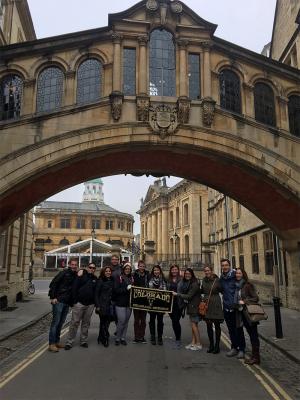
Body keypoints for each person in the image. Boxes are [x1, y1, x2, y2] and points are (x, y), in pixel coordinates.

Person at [48, 258, 78, 352]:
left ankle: (56, 342)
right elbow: (53, 284)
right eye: (72, 264)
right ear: (69, 265)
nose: (74, 266)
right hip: (58, 301)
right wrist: (53, 297)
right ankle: (51, 344)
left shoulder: (75, 275)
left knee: (60, 323)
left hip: (66, 303)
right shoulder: (63, 273)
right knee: (55, 323)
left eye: (75, 265)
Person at [64, 263, 97, 350]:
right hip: (79, 303)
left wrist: (94, 303)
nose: (92, 269)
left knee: (86, 323)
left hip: (90, 304)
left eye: (93, 268)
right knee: (74, 322)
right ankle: (69, 342)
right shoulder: (81, 275)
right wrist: (75, 301)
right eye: (90, 267)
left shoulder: (95, 279)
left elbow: (96, 292)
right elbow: (74, 288)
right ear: (87, 268)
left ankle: (83, 341)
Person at [234, 268, 261, 365]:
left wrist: (244, 301)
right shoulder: (237, 286)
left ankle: (256, 357)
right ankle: (254, 357)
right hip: (241, 313)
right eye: (236, 273)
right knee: (249, 334)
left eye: (239, 273)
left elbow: (255, 298)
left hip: (249, 314)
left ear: (243, 274)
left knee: (253, 336)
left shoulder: (247, 285)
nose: (237, 275)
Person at [219, 258, 245, 358]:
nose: (224, 267)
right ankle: (234, 348)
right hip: (226, 307)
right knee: (231, 329)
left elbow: (243, 284)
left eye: (226, 265)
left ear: (229, 266)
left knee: (239, 329)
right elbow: (222, 290)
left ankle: (242, 349)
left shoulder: (235, 276)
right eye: (223, 265)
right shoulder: (222, 278)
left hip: (236, 308)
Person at [174, 268, 202, 351]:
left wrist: (177, 294)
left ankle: (198, 343)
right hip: (191, 306)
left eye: (189, 273)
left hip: (194, 306)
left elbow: (189, 296)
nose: (187, 275)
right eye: (186, 274)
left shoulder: (194, 284)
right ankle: (193, 342)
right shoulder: (190, 283)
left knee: (194, 325)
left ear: (192, 274)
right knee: (193, 325)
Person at [201, 265, 223, 354]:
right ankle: (211, 345)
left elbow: (222, 290)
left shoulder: (217, 280)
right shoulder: (203, 280)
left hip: (216, 303)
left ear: (211, 271)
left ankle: (217, 346)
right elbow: (202, 290)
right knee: (208, 325)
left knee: (217, 325)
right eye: (205, 271)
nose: (207, 272)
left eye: (208, 270)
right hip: (207, 304)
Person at [113, 263, 134, 345]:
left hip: (129, 303)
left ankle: (123, 338)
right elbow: (116, 290)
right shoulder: (119, 278)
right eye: (126, 269)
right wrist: (126, 288)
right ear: (123, 269)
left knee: (126, 321)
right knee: (121, 321)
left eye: (129, 269)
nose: (127, 270)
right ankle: (118, 338)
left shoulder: (132, 278)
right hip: (120, 303)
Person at [95, 266, 114, 347]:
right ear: (103, 272)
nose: (108, 272)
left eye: (109, 271)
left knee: (107, 322)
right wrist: (97, 305)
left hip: (110, 305)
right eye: (106, 271)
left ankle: (100, 337)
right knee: (103, 322)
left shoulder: (112, 280)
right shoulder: (100, 280)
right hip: (102, 305)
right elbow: (96, 294)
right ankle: (105, 338)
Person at [148, 265, 167, 345]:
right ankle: (152, 336)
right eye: (155, 270)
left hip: (160, 303)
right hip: (151, 303)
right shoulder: (149, 279)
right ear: (153, 271)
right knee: (152, 320)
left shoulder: (163, 279)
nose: (156, 271)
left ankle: (159, 337)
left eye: (157, 270)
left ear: (160, 271)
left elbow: (166, 291)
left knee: (160, 321)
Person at [132, 260, 149, 343]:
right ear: (138, 267)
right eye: (140, 266)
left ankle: (141, 337)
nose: (142, 267)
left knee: (143, 320)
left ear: (144, 267)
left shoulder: (147, 275)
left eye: (143, 266)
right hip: (136, 300)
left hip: (145, 301)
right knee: (136, 320)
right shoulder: (134, 274)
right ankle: (136, 337)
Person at [167, 264, 183, 349]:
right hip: (170, 303)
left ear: (178, 270)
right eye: (172, 269)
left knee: (176, 320)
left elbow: (185, 291)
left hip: (179, 303)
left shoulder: (181, 279)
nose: (174, 271)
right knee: (174, 321)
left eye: (175, 269)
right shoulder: (168, 279)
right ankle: (177, 338)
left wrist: (177, 294)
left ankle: (178, 339)